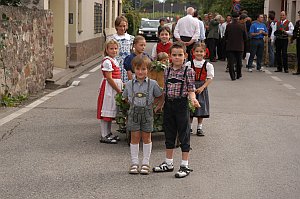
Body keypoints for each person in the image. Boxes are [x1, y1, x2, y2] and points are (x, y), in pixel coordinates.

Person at [152, 42, 200, 178]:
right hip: (169, 105)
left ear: (185, 55)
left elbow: (191, 89)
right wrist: (160, 103)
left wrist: (193, 99)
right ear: (169, 56)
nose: (177, 57)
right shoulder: (167, 70)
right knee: (169, 133)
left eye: (180, 55)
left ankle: (184, 164)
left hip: (181, 105)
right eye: (174, 55)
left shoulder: (188, 71)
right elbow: (165, 91)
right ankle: (168, 163)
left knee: (184, 134)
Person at [122, 55, 163, 175]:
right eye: (138, 69)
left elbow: (160, 96)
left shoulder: (153, 84)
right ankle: (134, 163)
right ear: (134, 69)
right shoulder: (129, 84)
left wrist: (156, 107)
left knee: (147, 137)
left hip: (147, 112)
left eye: (144, 69)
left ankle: (145, 163)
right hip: (134, 112)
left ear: (148, 70)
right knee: (134, 137)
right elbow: (124, 97)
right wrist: (132, 105)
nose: (140, 72)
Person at [97, 39, 123, 144]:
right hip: (109, 88)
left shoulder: (114, 60)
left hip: (113, 88)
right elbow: (109, 78)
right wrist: (118, 89)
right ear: (106, 50)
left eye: (116, 48)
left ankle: (108, 133)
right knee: (106, 110)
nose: (114, 50)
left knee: (111, 110)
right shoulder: (107, 61)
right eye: (111, 48)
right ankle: (104, 135)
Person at [186, 43, 214, 136]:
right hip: (191, 86)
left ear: (205, 53)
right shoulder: (189, 64)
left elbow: (210, 78)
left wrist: (202, 87)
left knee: (201, 108)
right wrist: (190, 87)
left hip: (202, 87)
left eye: (201, 51)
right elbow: (185, 76)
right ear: (193, 52)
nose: (199, 53)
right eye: (197, 51)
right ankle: (189, 126)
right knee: (190, 107)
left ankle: (199, 127)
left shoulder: (208, 65)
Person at [107, 16, 134, 82]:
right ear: (116, 27)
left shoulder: (131, 38)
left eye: (124, 26)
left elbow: (133, 53)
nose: (122, 28)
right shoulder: (111, 39)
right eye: (120, 26)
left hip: (127, 66)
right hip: (116, 65)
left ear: (127, 26)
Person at [225, 12, 247, 80]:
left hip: (230, 46)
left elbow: (226, 36)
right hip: (239, 46)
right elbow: (245, 37)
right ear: (238, 17)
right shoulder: (242, 26)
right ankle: (238, 74)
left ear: (231, 17)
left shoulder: (228, 25)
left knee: (231, 62)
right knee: (239, 62)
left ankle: (232, 76)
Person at [292, 11, 300, 75]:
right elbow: (295, 32)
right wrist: (292, 39)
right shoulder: (298, 22)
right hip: (298, 41)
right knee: (298, 56)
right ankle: (298, 70)